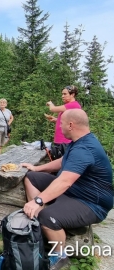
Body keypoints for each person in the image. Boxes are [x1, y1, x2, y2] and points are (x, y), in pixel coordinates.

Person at [21, 109, 113, 270]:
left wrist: (38, 200)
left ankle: (59, 255)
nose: (59, 127)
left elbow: (65, 181)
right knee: (31, 177)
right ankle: (38, 218)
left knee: (48, 218)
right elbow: (63, 161)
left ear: (71, 125)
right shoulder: (80, 141)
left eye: (61, 123)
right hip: (75, 191)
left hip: (91, 203)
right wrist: (37, 169)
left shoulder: (85, 149)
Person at [45, 85, 81, 159]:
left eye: (65, 94)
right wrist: (56, 119)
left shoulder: (73, 105)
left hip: (65, 141)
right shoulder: (69, 106)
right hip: (60, 141)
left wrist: (51, 104)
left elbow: (53, 109)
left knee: (62, 164)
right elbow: (67, 121)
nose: (62, 96)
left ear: (72, 94)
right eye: (62, 94)